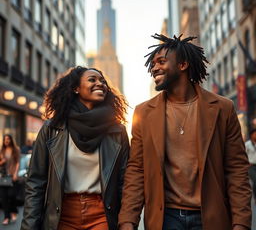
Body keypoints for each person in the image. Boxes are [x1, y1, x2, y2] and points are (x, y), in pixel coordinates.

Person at [118, 34, 251, 230]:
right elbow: (137, 170)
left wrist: (241, 223)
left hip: (210, 217)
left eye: (161, 61)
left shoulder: (223, 108)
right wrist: (128, 221)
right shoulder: (143, 113)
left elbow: (236, 170)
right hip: (165, 218)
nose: (154, 67)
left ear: (183, 65)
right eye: (152, 63)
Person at [21, 66, 129, 230]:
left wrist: (126, 222)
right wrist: (29, 226)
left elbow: (124, 182)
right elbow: (36, 182)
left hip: (102, 215)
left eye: (103, 81)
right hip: (61, 214)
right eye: (92, 80)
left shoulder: (117, 131)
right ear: (76, 88)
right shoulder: (52, 128)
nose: (100, 83)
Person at [0, 134, 20, 225]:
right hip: (3, 177)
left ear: (11, 140)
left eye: (8, 139)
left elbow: (17, 162)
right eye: (5, 139)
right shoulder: (1, 151)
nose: (6, 141)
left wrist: (16, 173)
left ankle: (14, 211)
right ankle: (6, 217)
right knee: (4, 198)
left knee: (11, 195)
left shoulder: (16, 150)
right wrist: (2, 162)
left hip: (12, 176)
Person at [245, 128, 256, 200]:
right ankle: (255, 196)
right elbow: (243, 155)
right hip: (251, 166)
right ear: (251, 135)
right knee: (255, 180)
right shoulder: (247, 144)